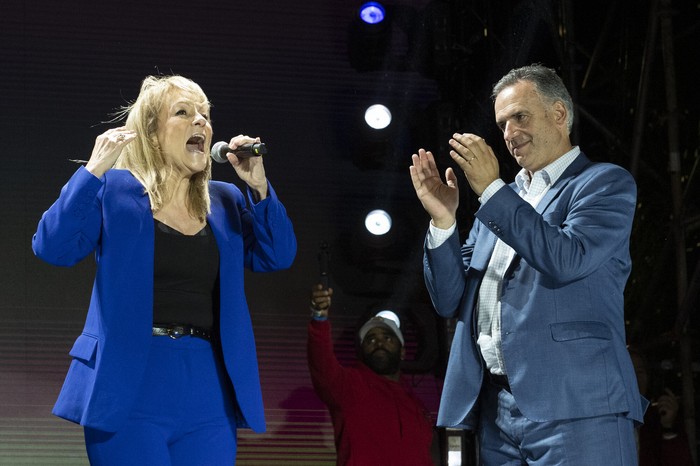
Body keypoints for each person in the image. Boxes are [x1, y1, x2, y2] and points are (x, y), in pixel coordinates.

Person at [32, 75, 297, 465]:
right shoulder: (115, 189)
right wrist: (92, 172)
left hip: (207, 390)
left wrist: (258, 186)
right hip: (127, 386)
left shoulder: (224, 201)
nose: (200, 123)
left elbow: (278, 255)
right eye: (184, 113)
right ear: (153, 135)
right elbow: (52, 247)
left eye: (205, 116)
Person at [409, 64, 647, 465]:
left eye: (521, 116)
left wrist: (491, 189)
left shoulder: (603, 183)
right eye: (502, 124)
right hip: (497, 411)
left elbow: (568, 258)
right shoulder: (501, 203)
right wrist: (443, 220)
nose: (509, 134)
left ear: (559, 114)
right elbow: (450, 300)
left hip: (579, 405)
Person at [307, 284, 435, 465]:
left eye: (388, 338)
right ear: (361, 351)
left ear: (402, 352)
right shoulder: (349, 385)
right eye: (371, 339)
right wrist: (319, 317)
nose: (379, 343)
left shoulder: (415, 405)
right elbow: (321, 362)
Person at [629, 348, 694, 466]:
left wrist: (668, 427)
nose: (635, 379)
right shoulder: (608, 420)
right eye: (629, 372)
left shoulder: (657, 418)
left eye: (640, 372)